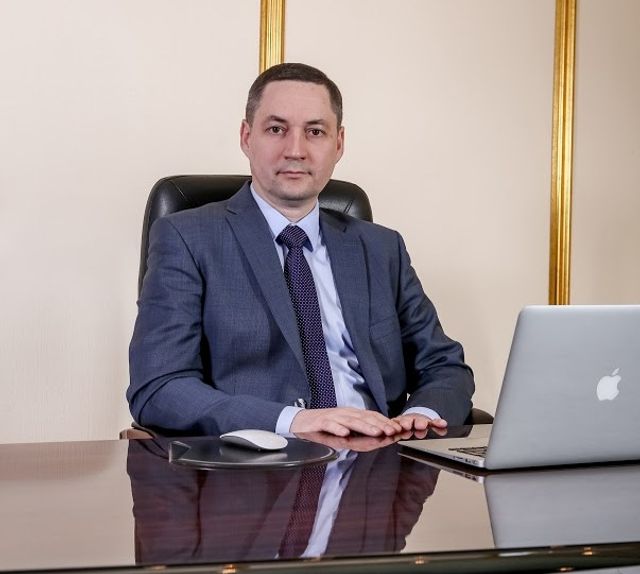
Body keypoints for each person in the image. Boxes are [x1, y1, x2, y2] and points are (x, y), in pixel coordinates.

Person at [128, 63, 474, 437]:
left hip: (380, 455)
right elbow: (159, 387)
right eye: (276, 129)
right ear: (246, 137)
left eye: (315, 132)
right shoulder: (187, 238)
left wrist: (420, 415)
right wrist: (294, 421)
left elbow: (443, 365)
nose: (296, 150)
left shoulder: (381, 248)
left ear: (338, 143)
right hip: (260, 461)